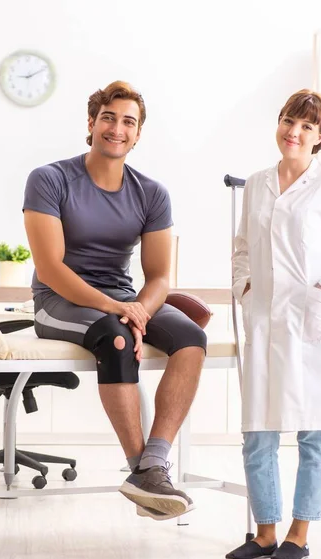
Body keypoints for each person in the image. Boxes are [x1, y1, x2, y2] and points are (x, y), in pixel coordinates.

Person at [23, 81, 207, 520]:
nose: (117, 128)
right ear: (91, 124)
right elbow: (50, 269)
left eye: (129, 121)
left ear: (139, 133)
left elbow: (160, 274)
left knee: (191, 338)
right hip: (59, 300)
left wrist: (139, 307)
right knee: (118, 339)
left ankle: (153, 465)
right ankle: (138, 471)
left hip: (122, 300)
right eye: (109, 117)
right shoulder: (50, 179)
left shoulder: (152, 193)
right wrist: (120, 311)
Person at [226, 89, 321, 559]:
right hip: (267, 325)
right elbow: (243, 248)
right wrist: (245, 289)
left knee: (314, 436)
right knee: (258, 434)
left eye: (308, 126)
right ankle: (265, 532)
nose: (295, 131)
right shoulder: (256, 183)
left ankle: (299, 533)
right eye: (289, 120)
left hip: (314, 327)